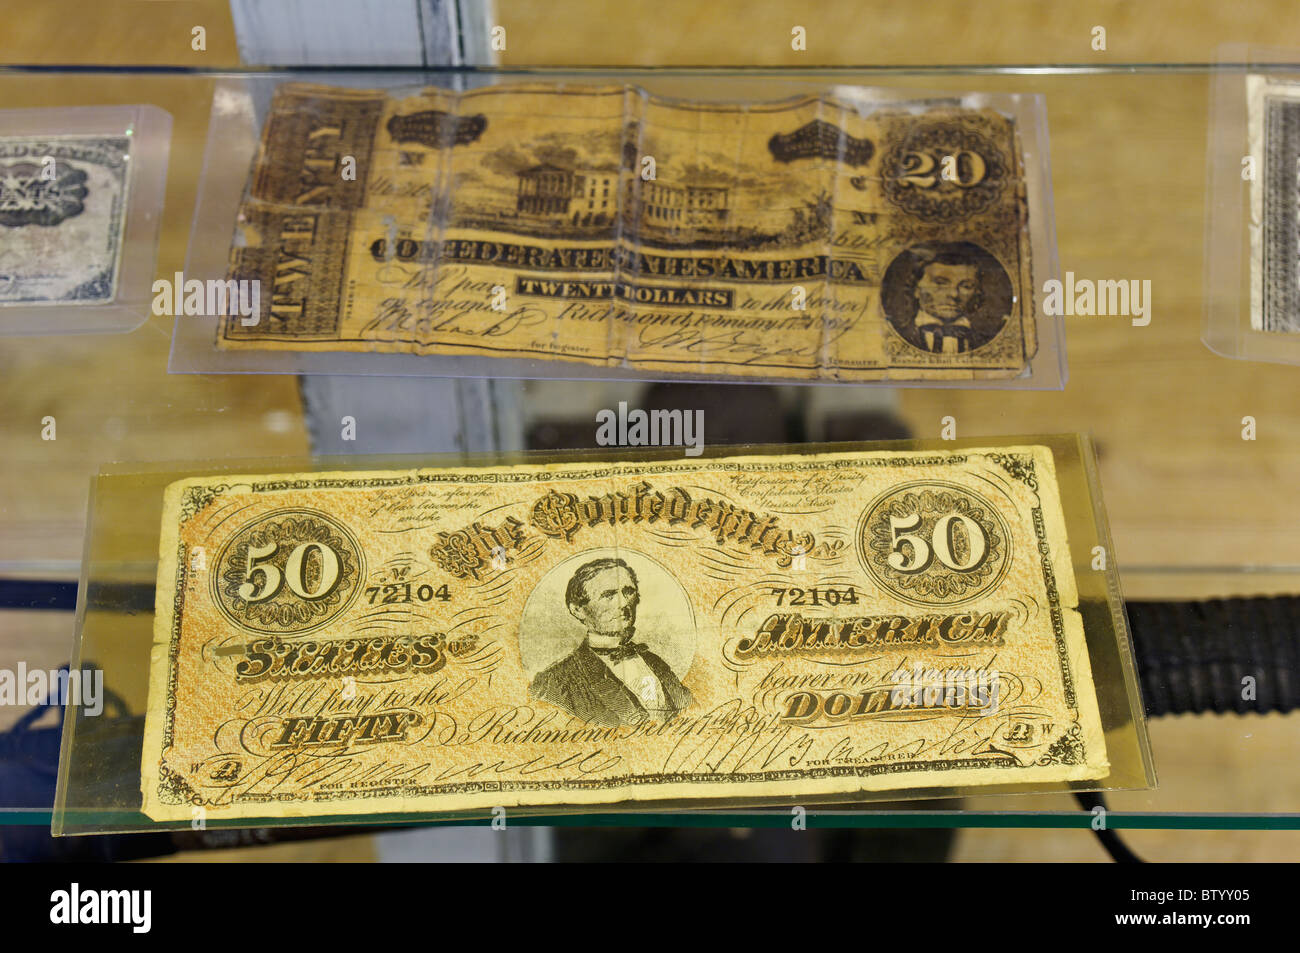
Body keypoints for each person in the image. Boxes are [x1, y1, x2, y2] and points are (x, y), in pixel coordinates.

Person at [529, 557, 692, 725]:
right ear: (577, 610)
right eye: (608, 595)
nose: (623, 603)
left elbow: (688, 711)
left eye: (628, 592)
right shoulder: (556, 681)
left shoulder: (656, 663)